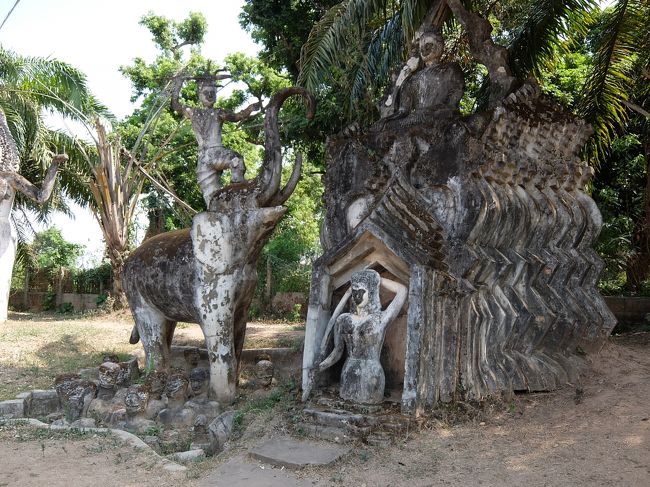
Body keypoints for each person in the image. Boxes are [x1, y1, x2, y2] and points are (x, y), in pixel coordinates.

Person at [312, 269, 407, 404]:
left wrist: (376, 279)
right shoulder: (343, 319)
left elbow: (402, 291)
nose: (357, 295)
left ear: (371, 292)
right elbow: (337, 352)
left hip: (371, 377)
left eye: (362, 291)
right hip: (348, 374)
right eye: (354, 291)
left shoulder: (380, 319)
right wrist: (319, 367)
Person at [171, 74, 262, 206]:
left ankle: (234, 196)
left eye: (212, 92)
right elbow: (237, 116)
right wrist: (250, 108)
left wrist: (178, 84)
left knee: (212, 199)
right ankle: (237, 191)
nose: (209, 95)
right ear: (199, 95)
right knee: (236, 160)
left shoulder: (195, 112)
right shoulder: (210, 112)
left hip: (203, 160)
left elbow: (176, 105)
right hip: (213, 154)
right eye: (206, 92)